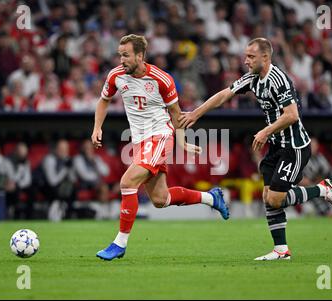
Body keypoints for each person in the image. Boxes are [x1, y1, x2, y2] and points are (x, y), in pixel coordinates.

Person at [179, 38, 332, 261]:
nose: (246, 61)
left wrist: (265, 131)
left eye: (251, 57)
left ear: (265, 57)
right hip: (276, 146)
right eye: (246, 56)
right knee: (268, 197)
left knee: (276, 198)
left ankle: (323, 190)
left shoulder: (279, 80)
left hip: (294, 147)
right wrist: (195, 114)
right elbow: (224, 94)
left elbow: (292, 115)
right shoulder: (253, 78)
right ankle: (281, 250)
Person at [91, 34, 229, 261]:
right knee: (160, 199)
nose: (121, 60)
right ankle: (212, 199)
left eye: (126, 55)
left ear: (140, 55)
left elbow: (176, 115)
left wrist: (182, 141)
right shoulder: (116, 76)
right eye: (120, 55)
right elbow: (104, 100)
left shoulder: (162, 79)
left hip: (160, 136)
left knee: (127, 182)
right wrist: (97, 128)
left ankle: (119, 243)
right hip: (140, 142)